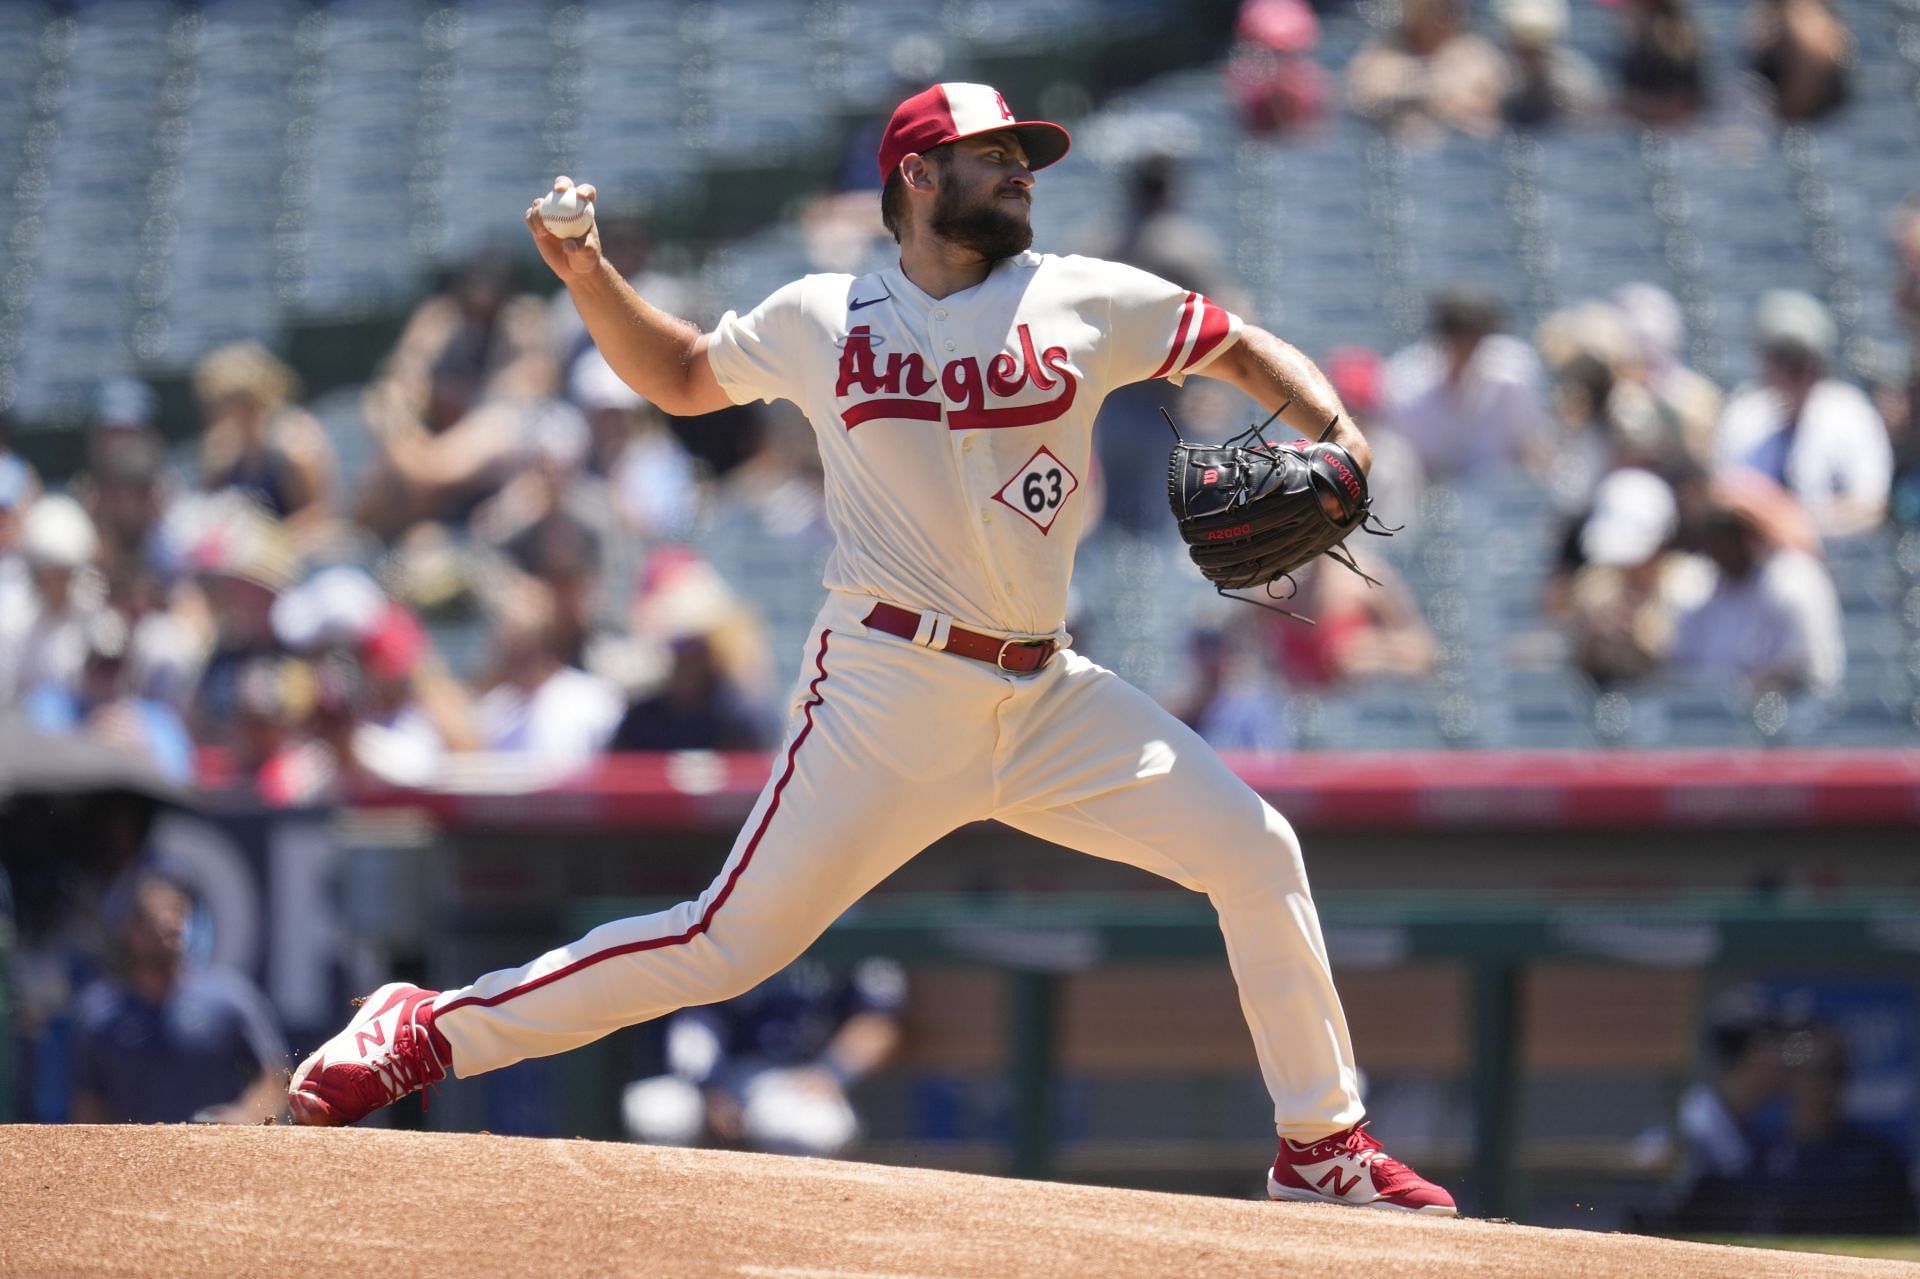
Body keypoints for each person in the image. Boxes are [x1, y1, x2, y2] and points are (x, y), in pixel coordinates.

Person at [289, 82, 1457, 1216]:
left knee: (1256, 848)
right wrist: (590, 273)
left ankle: (1320, 1143)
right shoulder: (820, 316)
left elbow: (1239, 347)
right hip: (885, 692)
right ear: (915, 173)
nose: (1022, 174)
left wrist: (1340, 435)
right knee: (720, 944)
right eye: (996, 155)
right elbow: (683, 377)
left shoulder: (1085, 295)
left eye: (1026, 157)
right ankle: (425, 1028)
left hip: (1047, 693)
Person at [622, 955, 905, 1157]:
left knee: (817, 1128)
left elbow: (876, 1021)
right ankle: (667, 1220)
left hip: (789, 1079)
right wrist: (708, 1086)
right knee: (657, 1113)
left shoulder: (846, 923)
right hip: (719, 1073)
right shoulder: (736, 919)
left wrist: (830, 1072)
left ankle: (785, 1224)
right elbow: (697, 1019)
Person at [69, 873, 289, 1125]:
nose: (171, 925)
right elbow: (88, 1103)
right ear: (131, 933)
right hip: (133, 1159)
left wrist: (247, 1115)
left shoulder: (230, 1000)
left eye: (179, 915)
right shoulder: (100, 1015)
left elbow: (277, 1076)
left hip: (215, 1158)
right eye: (155, 920)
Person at [1715, 290, 1891, 537]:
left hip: (1837, 550)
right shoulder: (1743, 415)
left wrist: (1798, 526)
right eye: (1783, 359)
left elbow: (1871, 506)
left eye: (1802, 361)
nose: (1795, 372)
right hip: (1765, 558)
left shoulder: (1850, 412)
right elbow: (1727, 501)